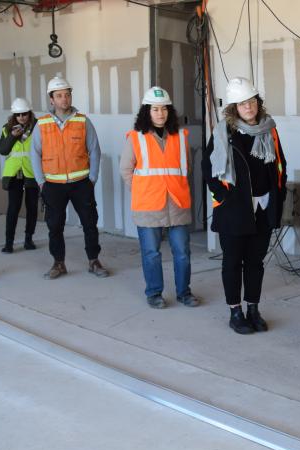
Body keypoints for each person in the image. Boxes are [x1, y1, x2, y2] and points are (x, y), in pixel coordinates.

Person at [202, 77, 287, 334]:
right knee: (232, 262)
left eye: (251, 101)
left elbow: (280, 165)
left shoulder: (269, 129)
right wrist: (225, 197)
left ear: (258, 103)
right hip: (234, 211)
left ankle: (253, 308)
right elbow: (209, 170)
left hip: (262, 208)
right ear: (234, 108)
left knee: (255, 262)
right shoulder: (223, 133)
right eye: (241, 104)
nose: (248, 107)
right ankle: (235, 311)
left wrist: (279, 197)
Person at [120, 86, 199, 309]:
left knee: (182, 253)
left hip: (177, 203)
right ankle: (154, 293)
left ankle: (184, 292)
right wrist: (142, 191)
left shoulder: (180, 137)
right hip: (148, 205)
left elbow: (187, 168)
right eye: (155, 109)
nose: (160, 114)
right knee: (152, 253)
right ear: (147, 111)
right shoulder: (136, 138)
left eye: (164, 109)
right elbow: (126, 169)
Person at [31, 76, 108, 280]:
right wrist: (41, 182)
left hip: (81, 183)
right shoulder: (41, 124)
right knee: (54, 226)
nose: (64, 99)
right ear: (51, 100)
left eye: (67, 94)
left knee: (90, 223)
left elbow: (95, 150)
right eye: (59, 96)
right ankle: (58, 263)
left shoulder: (82, 121)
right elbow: (35, 154)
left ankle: (94, 260)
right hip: (53, 185)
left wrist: (92, 178)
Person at [0, 97, 39, 253]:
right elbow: (2, 150)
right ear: (14, 115)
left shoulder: (38, 128)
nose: (21, 117)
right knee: (13, 208)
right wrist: (13, 136)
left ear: (29, 113)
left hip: (32, 173)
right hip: (14, 174)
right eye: (18, 114)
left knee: (32, 208)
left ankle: (29, 240)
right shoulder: (7, 129)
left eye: (24, 114)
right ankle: (9, 243)